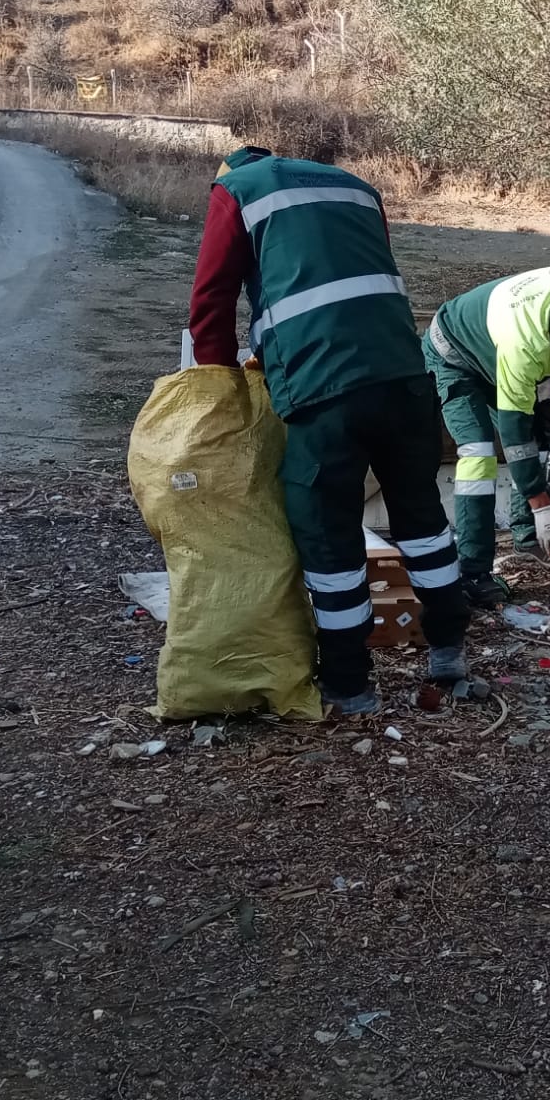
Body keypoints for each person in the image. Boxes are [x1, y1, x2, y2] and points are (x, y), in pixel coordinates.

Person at [188, 144, 468, 717]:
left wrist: (219, 390)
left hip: (322, 392)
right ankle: (448, 654)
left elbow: (211, 299)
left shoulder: (236, 191)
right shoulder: (355, 186)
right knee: (423, 522)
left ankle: (349, 682)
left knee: (329, 534)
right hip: (405, 378)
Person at [422, 266, 550, 604]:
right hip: (455, 354)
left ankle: (526, 537)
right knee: (478, 453)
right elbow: (514, 435)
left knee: (539, 434)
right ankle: (473, 571)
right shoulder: (524, 346)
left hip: (493, 347)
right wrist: (542, 506)